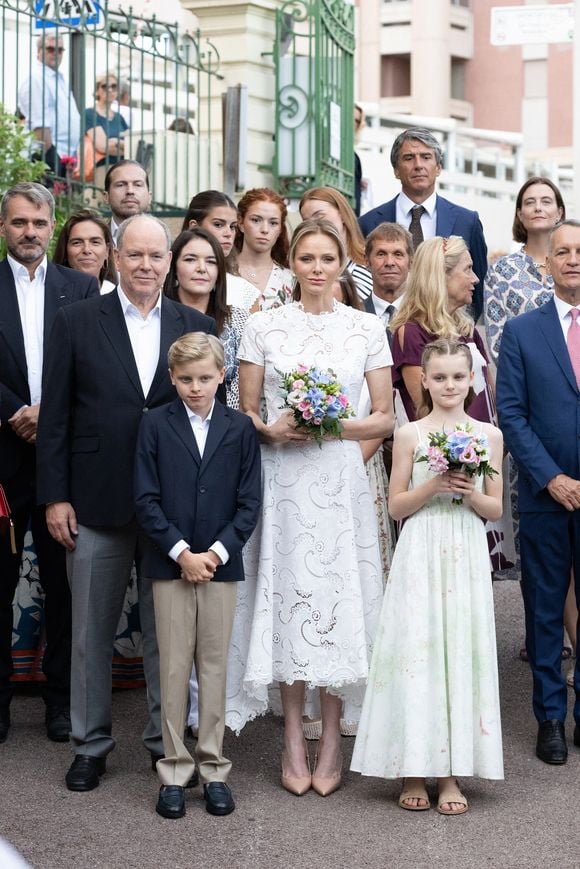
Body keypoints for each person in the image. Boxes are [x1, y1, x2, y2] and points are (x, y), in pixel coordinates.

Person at [35, 215, 220, 792]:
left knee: (169, 637)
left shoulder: (195, 324)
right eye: (134, 255)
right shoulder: (74, 321)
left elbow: (208, 423)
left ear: (170, 262)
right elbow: (56, 419)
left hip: (171, 512)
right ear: (116, 258)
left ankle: (164, 746)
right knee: (90, 629)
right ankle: (90, 744)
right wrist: (56, 497)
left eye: (156, 256)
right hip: (94, 500)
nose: (145, 265)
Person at [226, 218, 395, 797]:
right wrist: (273, 432)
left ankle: (329, 738)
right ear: (292, 263)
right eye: (307, 258)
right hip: (283, 483)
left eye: (327, 258)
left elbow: (383, 415)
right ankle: (292, 736)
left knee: (336, 602)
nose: (317, 268)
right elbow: (245, 412)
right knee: (288, 601)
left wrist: (329, 424)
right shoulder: (263, 325)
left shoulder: (367, 328)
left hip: (338, 478)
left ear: (341, 262)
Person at [351, 339, 504, 814]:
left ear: (471, 379)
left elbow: (495, 507)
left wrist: (465, 492)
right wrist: (433, 485)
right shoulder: (411, 434)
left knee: (457, 650)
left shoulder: (488, 435)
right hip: (420, 546)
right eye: (439, 377)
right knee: (417, 650)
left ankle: (451, 771)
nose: (449, 385)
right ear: (425, 381)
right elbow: (397, 505)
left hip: (463, 546)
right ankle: (413, 767)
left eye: (458, 377)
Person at [134, 333, 261, 819]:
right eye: (185, 379)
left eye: (204, 378)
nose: (195, 387)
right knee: (171, 668)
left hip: (220, 567)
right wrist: (183, 552)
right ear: (172, 378)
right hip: (170, 564)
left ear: (221, 375)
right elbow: (145, 498)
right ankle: (173, 769)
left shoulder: (239, 428)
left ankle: (212, 768)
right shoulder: (154, 426)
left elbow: (250, 502)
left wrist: (216, 552)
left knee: (213, 667)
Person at [0, 182, 98, 744]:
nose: (30, 232)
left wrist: (49, 415)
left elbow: (94, 368)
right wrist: (16, 409)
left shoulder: (81, 288)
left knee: (66, 589)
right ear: (5, 227)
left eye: (38, 222)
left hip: (65, 462)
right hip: (4, 457)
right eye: (19, 223)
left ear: (51, 224)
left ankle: (62, 703)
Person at [496, 219, 580, 766]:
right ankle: (549, 715)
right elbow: (511, 413)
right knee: (545, 609)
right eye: (564, 251)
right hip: (546, 493)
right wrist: (550, 476)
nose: (573, 259)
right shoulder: (523, 332)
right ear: (546, 264)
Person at [483, 177, 574, 655]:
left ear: (559, 209)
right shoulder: (505, 270)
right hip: (530, 415)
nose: (538, 207)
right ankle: (541, 635)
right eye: (529, 201)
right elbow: (499, 342)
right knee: (538, 539)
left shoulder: (572, 258)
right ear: (519, 213)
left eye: (547, 200)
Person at [390, 236, 513, 571]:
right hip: (441, 463)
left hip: (479, 458)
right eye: (468, 270)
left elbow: (486, 391)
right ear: (439, 276)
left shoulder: (467, 329)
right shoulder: (411, 332)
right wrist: (459, 456)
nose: (476, 278)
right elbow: (423, 405)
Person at [359, 128, 487, 320]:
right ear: (396, 170)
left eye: (426, 157)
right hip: (383, 334)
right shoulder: (368, 223)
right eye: (409, 158)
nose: (418, 165)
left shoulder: (467, 222)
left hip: (446, 337)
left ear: (438, 167)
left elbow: (477, 290)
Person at [164, 228, 249, 409]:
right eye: (190, 259)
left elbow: (241, 388)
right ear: (173, 266)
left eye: (211, 262)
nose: (201, 268)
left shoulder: (238, 319)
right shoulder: (157, 316)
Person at [181, 191, 259, 310]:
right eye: (218, 225)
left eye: (232, 226)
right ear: (194, 227)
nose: (228, 233)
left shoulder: (245, 293)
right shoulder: (162, 283)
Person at [18, 35, 81, 177]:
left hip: (63, 158)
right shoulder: (36, 79)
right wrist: (52, 158)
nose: (56, 53)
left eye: (60, 50)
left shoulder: (59, 79)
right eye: (50, 49)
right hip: (47, 157)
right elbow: (39, 126)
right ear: (39, 51)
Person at [299, 187, 373, 300]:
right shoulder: (303, 270)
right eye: (306, 221)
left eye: (319, 216)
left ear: (342, 214)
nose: (313, 225)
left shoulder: (371, 262)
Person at [234, 188, 293, 310]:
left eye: (273, 223)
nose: (265, 229)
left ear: (280, 229)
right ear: (241, 223)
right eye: (256, 220)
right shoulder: (221, 272)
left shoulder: (291, 280)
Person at [363, 222, 413, 339]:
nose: (389, 262)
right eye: (381, 254)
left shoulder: (425, 316)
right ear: (367, 261)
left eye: (398, 254)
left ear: (411, 262)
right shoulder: (352, 315)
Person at [52, 208, 117, 294]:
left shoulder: (120, 298)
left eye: (95, 242)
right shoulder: (49, 295)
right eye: (77, 243)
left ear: (107, 251)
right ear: (65, 250)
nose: (86, 250)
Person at [84, 73, 128, 172]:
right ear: (97, 90)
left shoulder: (119, 117)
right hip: (102, 168)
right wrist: (124, 147)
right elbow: (103, 146)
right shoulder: (89, 114)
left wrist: (115, 141)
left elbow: (131, 144)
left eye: (114, 86)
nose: (110, 90)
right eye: (105, 86)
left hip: (122, 168)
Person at [103, 160, 151, 246]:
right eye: (121, 185)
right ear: (106, 197)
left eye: (138, 185)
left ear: (149, 196)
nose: (130, 191)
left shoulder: (162, 239)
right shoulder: (97, 237)